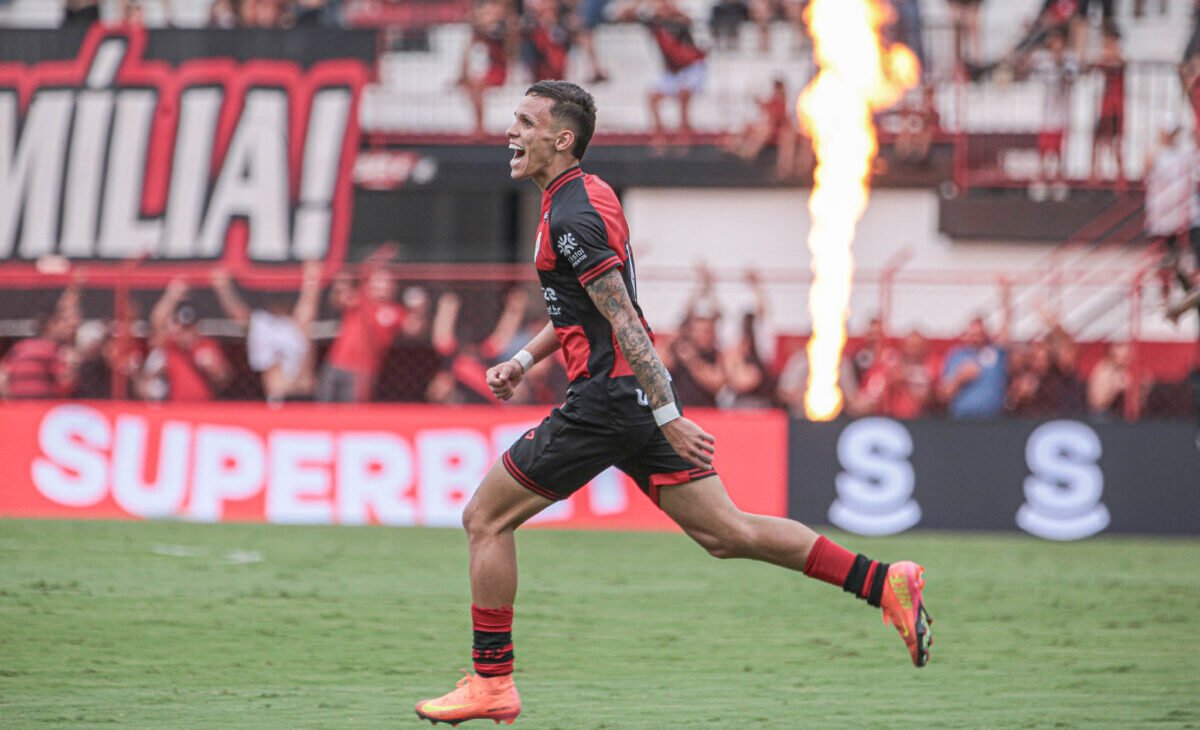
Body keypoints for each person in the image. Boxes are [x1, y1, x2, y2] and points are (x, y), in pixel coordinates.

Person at [413, 80, 932, 727]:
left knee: (485, 519)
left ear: (561, 138)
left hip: (607, 402)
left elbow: (625, 319)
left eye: (524, 121)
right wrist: (523, 360)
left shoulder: (571, 215)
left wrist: (668, 413)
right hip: (625, 400)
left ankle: (492, 681)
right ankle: (885, 582)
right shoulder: (584, 197)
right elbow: (585, 310)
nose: (510, 132)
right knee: (728, 532)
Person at [211, 262, 322, 404]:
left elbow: (310, 301)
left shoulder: (297, 325)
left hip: (302, 396)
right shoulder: (261, 325)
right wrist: (223, 288)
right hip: (278, 398)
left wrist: (312, 276)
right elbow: (238, 314)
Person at [617, 0, 708, 149]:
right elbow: (624, 15)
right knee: (653, 96)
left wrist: (671, 9)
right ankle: (660, 134)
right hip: (672, 70)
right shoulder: (654, 23)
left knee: (684, 94)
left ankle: (684, 134)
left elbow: (689, 22)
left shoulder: (678, 20)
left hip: (690, 67)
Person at [317, 261, 406, 403]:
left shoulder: (393, 311)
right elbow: (338, 300)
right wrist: (340, 286)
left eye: (385, 282)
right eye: (377, 281)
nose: (380, 286)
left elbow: (399, 326)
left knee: (351, 414)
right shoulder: (359, 300)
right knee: (323, 408)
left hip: (361, 371)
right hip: (336, 363)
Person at [138, 279, 232, 402]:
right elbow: (157, 322)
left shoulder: (206, 345)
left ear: (195, 328)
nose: (184, 333)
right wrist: (172, 295)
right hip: (177, 408)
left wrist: (215, 370)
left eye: (188, 328)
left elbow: (225, 378)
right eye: (181, 327)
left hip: (205, 407)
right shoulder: (171, 346)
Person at [0, 279, 82, 400]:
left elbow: (3, 377)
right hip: (43, 410)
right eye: (64, 322)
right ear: (51, 324)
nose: (70, 326)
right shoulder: (55, 352)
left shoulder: (20, 347)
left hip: (17, 410)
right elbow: (65, 383)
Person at [458, 0, 516, 139]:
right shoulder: (478, 30)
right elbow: (467, 52)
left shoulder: (506, 27)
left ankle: (480, 126)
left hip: (498, 70)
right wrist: (462, 74)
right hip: (485, 70)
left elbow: (509, 51)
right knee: (471, 83)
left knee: (477, 84)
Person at [939, 310, 1010, 419]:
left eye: (980, 334)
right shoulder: (957, 356)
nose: (976, 338)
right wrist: (960, 378)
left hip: (993, 420)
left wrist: (1006, 301)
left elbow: (1005, 333)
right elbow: (944, 395)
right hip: (962, 420)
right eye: (973, 334)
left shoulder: (996, 353)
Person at [1089, 27, 1125, 185]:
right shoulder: (1106, 58)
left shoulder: (1118, 58)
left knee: (1115, 140)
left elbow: (1118, 62)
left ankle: (1120, 173)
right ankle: (1094, 170)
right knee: (1098, 138)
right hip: (1105, 105)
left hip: (1116, 105)